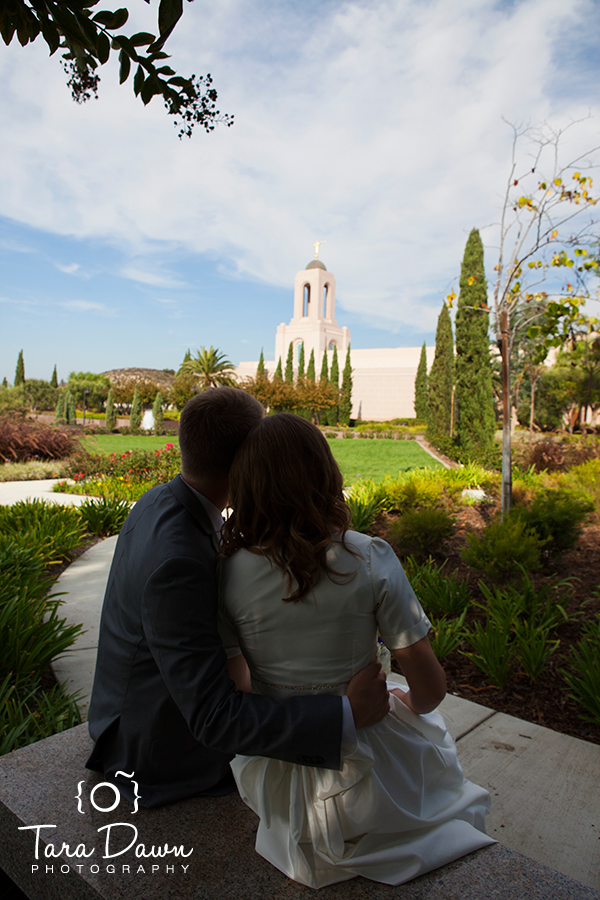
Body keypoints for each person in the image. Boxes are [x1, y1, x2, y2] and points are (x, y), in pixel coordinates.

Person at [218, 413, 495, 889]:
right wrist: (406, 703)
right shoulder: (369, 558)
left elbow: (238, 684)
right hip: (369, 771)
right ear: (325, 476)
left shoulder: (225, 574)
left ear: (245, 487)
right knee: (440, 769)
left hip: (279, 774)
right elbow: (430, 688)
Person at [86, 388, 389, 808]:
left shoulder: (160, 500)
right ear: (248, 459)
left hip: (127, 714)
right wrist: (344, 715)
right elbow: (213, 718)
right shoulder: (179, 563)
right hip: (161, 754)